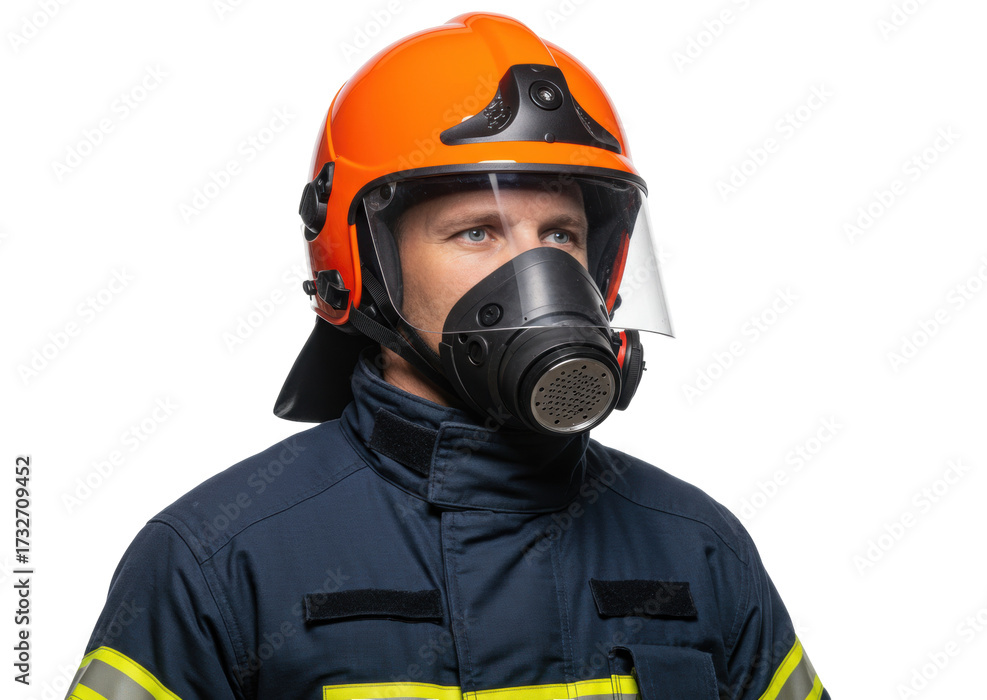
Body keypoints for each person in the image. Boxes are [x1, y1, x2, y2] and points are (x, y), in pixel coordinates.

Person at [67, 12, 830, 700]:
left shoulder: (700, 551)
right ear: (363, 259)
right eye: (478, 232)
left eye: (561, 236)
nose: (540, 279)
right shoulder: (218, 563)